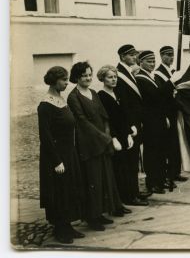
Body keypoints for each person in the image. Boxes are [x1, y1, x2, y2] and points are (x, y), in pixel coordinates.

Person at [67, 62, 125, 231]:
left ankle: (100, 213)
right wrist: (103, 137)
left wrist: (107, 135)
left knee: (104, 178)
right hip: (89, 144)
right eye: (84, 75)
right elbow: (82, 121)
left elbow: (104, 116)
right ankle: (91, 217)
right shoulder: (74, 97)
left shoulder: (93, 93)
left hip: (102, 142)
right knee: (92, 180)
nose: (88, 78)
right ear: (77, 77)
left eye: (89, 75)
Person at [38, 66, 84, 244]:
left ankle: (67, 225)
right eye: (64, 80)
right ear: (54, 80)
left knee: (68, 190)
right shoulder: (45, 105)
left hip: (68, 152)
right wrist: (56, 161)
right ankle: (60, 229)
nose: (67, 83)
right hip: (55, 156)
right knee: (58, 192)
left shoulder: (61, 100)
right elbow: (45, 136)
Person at [96, 65, 141, 209]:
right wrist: (114, 138)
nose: (113, 79)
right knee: (120, 168)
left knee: (130, 165)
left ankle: (133, 194)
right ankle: (124, 198)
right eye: (110, 77)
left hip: (124, 134)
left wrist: (129, 132)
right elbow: (107, 120)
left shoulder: (117, 93)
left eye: (115, 77)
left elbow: (124, 115)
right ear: (103, 79)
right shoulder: (101, 96)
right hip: (114, 136)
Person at [114, 44, 149, 205]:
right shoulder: (119, 74)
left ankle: (134, 191)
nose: (135, 57)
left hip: (136, 122)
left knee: (134, 160)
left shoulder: (128, 71)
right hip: (129, 124)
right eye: (131, 55)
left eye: (135, 54)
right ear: (122, 57)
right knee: (129, 161)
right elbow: (123, 104)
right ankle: (129, 195)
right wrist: (130, 126)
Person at [134, 51, 169, 194]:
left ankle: (160, 179)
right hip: (149, 121)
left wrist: (165, 117)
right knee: (152, 152)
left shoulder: (152, 77)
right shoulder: (140, 78)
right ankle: (152, 182)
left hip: (159, 119)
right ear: (140, 62)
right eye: (149, 61)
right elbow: (156, 96)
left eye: (154, 61)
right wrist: (170, 84)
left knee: (161, 150)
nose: (152, 64)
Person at [153, 46, 186, 187]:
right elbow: (161, 95)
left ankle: (176, 171)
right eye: (168, 55)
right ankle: (170, 173)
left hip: (176, 110)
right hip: (167, 111)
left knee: (176, 142)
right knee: (169, 144)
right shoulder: (158, 73)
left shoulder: (173, 71)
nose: (171, 58)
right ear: (161, 56)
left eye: (172, 55)